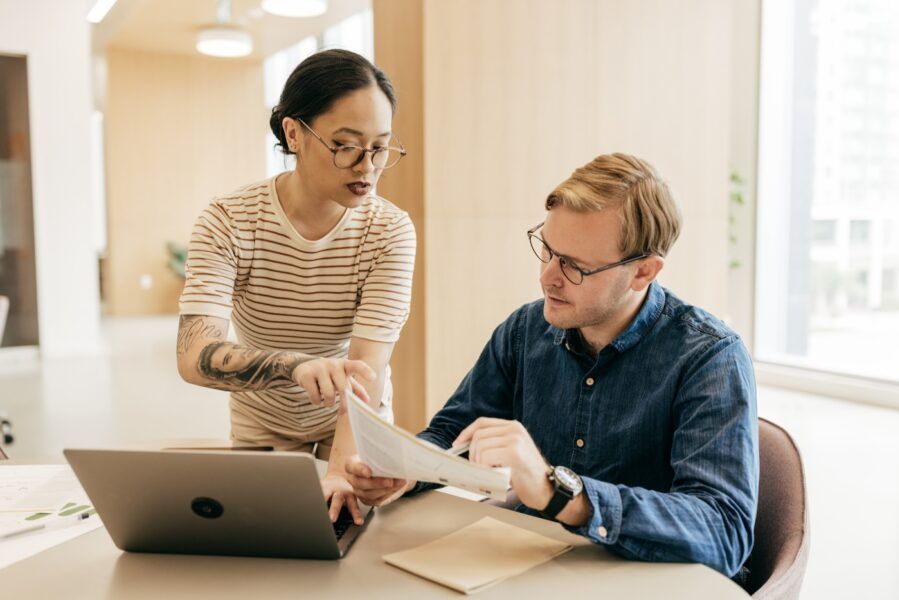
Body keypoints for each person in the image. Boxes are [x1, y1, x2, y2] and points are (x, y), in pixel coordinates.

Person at [346, 153, 758, 577]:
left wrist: (561, 494)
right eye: (547, 249)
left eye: (575, 267)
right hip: (531, 569)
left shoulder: (709, 357)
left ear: (644, 272)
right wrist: (404, 471)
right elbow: (452, 434)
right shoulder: (524, 331)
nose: (548, 277)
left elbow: (723, 532)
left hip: (642, 581)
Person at [176, 49, 416, 525]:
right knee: (263, 539)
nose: (366, 166)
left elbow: (365, 370)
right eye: (345, 145)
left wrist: (345, 470)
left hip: (356, 424)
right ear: (293, 132)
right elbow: (193, 356)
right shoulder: (229, 220)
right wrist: (295, 366)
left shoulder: (389, 230)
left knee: (352, 539)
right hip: (262, 418)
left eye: (381, 147)